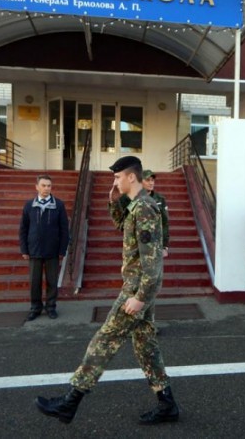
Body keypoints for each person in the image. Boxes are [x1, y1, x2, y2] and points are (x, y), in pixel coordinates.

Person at [35, 156, 179, 425]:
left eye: (117, 177)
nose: (115, 181)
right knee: (146, 347)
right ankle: (167, 404)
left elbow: (153, 262)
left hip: (136, 290)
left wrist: (140, 298)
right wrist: (114, 201)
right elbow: (123, 227)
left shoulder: (146, 208)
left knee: (103, 341)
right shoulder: (136, 206)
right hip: (136, 288)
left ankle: (69, 402)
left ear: (131, 177)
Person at [19, 174, 69, 321]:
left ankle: (51, 307)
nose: (46, 188)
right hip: (34, 250)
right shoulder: (29, 205)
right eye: (43, 185)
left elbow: (64, 230)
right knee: (35, 282)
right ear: (37, 187)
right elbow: (23, 229)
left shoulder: (59, 205)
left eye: (49, 186)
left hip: (52, 251)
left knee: (52, 281)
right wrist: (24, 249)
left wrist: (62, 249)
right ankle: (35, 308)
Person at [142, 169, 170, 258]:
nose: (151, 183)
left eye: (152, 180)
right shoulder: (134, 199)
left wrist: (164, 246)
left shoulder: (160, 199)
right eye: (147, 180)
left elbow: (165, 223)